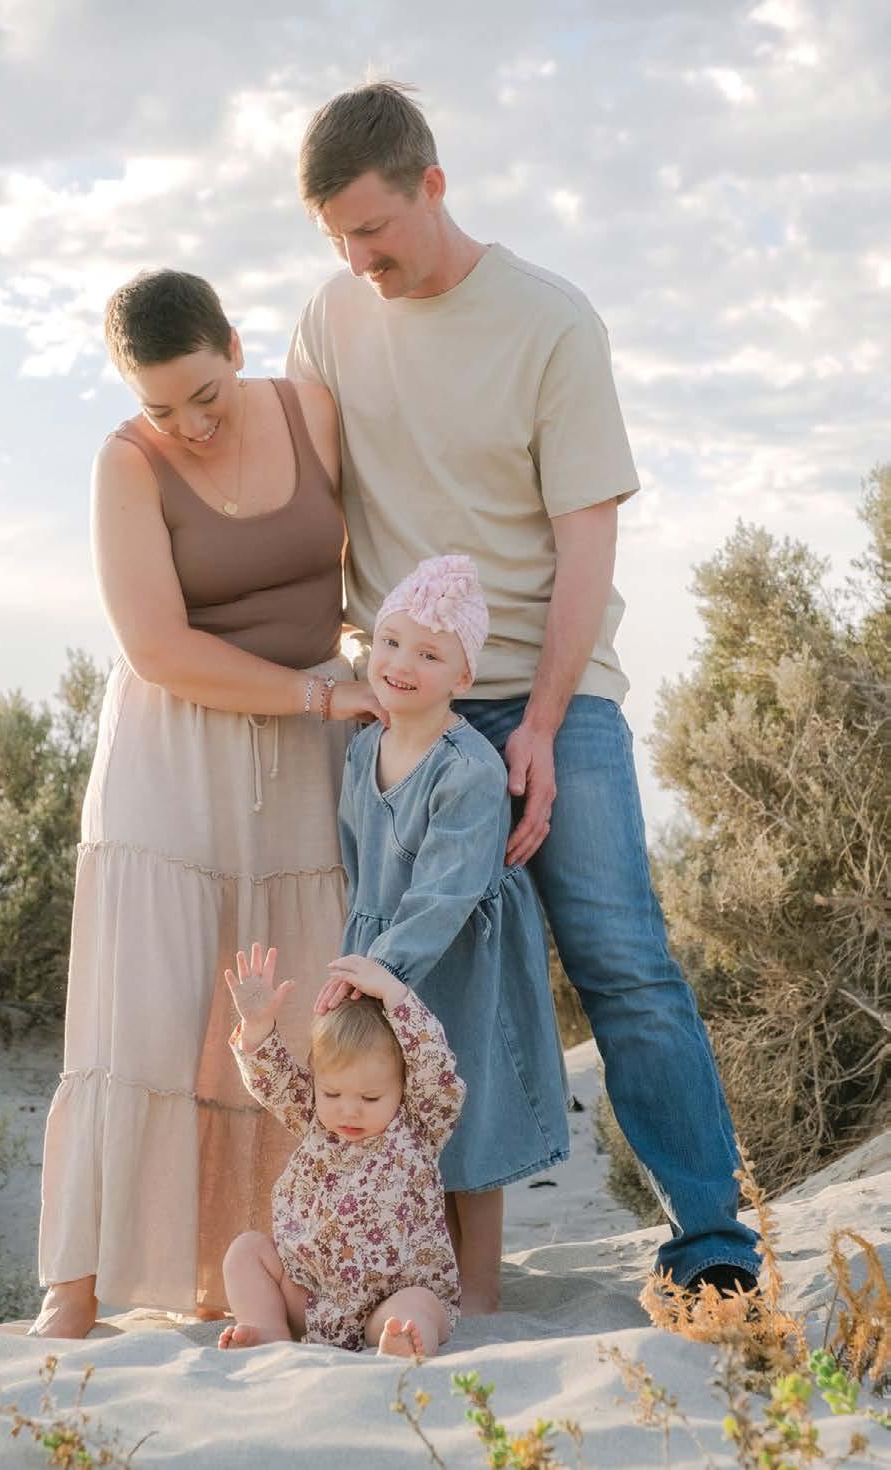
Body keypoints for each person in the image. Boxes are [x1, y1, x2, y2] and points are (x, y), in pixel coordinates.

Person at [287, 82, 761, 1296]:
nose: (358, 261)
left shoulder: (551, 321)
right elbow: (313, 508)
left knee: (622, 961)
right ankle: (402, 1265)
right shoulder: (331, 319)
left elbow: (585, 539)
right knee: (395, 978)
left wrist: (544, 725)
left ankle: (714, 1247)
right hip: (404, 708)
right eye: (337, 238)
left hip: (551, 693)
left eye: (373, 230)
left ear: (434, 186)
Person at [31, 269, 384, 1339]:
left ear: (234, 345)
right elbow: (158, 647)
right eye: (159, 406)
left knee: (299, 993)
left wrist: (369, 670)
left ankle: (271, 1267)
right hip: (175, 747)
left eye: (204, 395)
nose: (188, 424)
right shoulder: (126, 464)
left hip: (306, 754)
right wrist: (319, 695)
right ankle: (76, 1286)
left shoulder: (311, 412)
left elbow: (367, 565)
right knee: (146, 1008)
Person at [327, 555, 570, 1314]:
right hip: (387, 951)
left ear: (463, 675)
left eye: (429, 655)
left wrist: (384, 965)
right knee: (404, 1115)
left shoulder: (468, 768)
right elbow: (358, 855)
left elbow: (448, 890)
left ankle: (483, 1289)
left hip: (460, 956)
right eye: (391, 643)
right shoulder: (363, 749)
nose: (401, 665)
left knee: (466, 1112)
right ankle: (427, 1274)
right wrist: (363, 947)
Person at [219, 941, 465, 1358]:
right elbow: (273, 1080)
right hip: (312, 1294)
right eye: (332, 1093)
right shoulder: (315, 1117)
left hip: (389, 1298)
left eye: (370, 1098)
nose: (349, 1110)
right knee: (245, 1252)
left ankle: (403, 1340)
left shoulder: (418, 1125)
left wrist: (396, 996)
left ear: (402, 1087)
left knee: (420, 1305)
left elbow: (436, 1068)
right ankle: (268, 1330)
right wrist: (257, 1025)